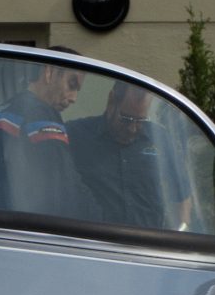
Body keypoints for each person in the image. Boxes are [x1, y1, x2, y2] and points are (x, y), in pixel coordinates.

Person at [0, 63, 87, 218]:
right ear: (49, 72)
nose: (74, 97)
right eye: (72, 84)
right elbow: (66, 187)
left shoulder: (0, 112)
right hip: (17, 228)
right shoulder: (41, 114)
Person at [69, 83, 176, 227]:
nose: (132, 129)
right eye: (126, 119)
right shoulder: (76, 135)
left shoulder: (160, 138)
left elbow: (182, 195)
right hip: (95, 242)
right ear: (111, 101)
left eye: (140, 121)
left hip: (148, 244)